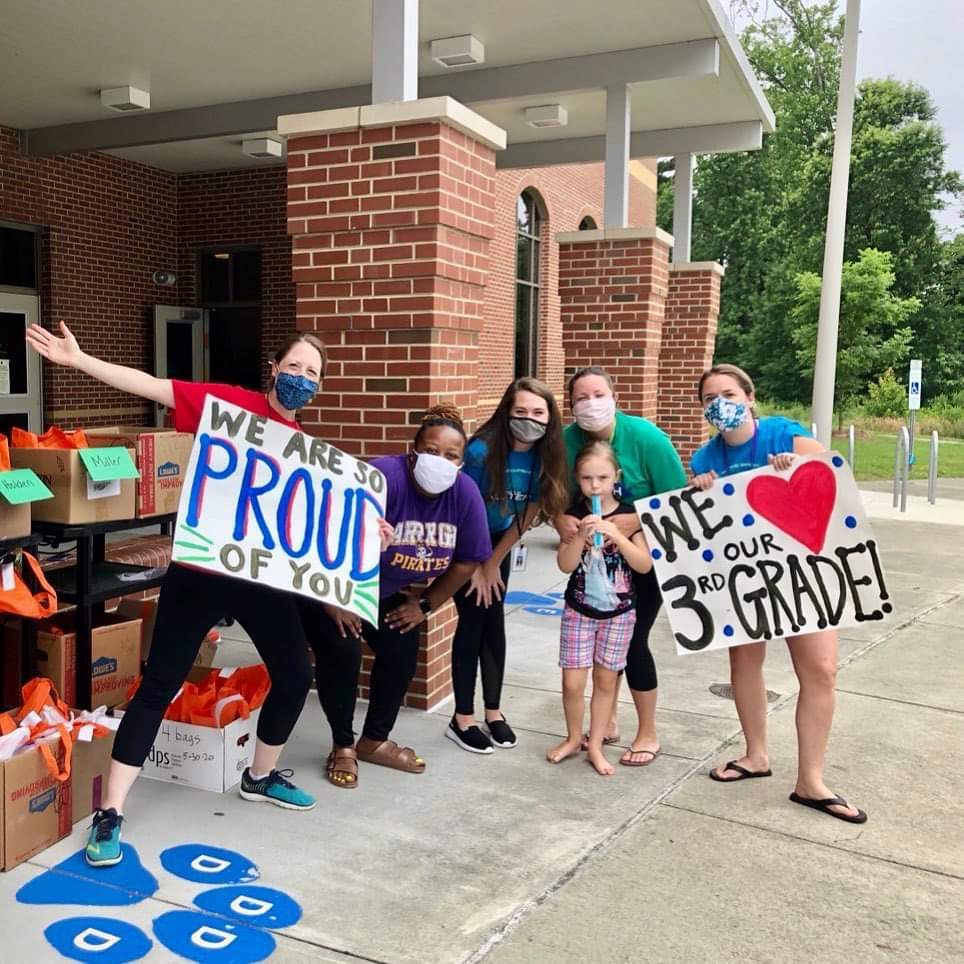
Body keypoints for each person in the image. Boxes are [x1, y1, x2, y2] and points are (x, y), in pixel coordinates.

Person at [26, 321, 326, 866]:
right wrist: (81, 361)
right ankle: (110, 812)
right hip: (200, 572)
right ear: (274, 369)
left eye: (313, 373)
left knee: (297, 672)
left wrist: (364, 534)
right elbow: (150, 385)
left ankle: (258, 777)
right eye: (295, 367)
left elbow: (319, 522)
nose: (302, 378)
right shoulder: (229, 406)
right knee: (159, 683)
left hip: (257, 580)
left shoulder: (306, 449)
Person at [691, 363, 866, 823]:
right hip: (746, 577)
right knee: (744, 662)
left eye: (727, 393)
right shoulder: (705, 460)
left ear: (749, 397)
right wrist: (700, 493)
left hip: (803, 573)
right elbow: (704, 527)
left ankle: (811, 780)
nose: (719, 404)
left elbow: (830, 476)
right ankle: (755, 755)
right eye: (710, 399)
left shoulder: (783, 435)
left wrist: (798, 468)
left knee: (821, 670)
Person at [300, 404, 491, 788]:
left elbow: (468, 560)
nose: (441, 462)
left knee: (402, 646)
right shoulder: (383, 477)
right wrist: (334, 598)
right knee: (344, 651)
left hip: (383, 590)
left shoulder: (465, 494)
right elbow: (323, 534)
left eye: (452, 456)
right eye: (432, 451)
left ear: (461, 463)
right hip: (330, 584)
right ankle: (343, 746)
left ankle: (373, 740)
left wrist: (424, 605)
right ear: (413, 451)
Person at [559, 367, 686, 767]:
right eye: (581, 397)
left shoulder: (646, 438)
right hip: (590, 566)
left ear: (614, 396)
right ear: (571, 404)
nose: (591, 403)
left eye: (598, 394)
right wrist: (559, 519)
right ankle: (605, 722)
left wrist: (633, 523)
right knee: (597, 657)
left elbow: (678, 501)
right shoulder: (564, 442)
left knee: (632, 644)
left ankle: (647, 731)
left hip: (641, 557)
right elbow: (554, 496)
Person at [446, 378, 569, 753]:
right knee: (473, 623)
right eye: (520, 412)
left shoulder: (544, 456)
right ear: (506, 412)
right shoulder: (483, 451)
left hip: (499, 545)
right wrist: (480, 564)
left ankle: (494, 712)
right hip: (466, 544)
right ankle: (461, 718)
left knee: (494, 622)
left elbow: (529, 511)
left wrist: (495, 562)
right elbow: (464, 509)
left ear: (549, 419)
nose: (528, 420)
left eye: (538, 413)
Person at [549, 442, 651, 776]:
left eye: (603, 478)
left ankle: (595, 743)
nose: (595, 486)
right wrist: (580, 536)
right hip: (579, 610)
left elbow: (644, 565)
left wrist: (617, 535)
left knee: (606, 682)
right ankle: (573, 737)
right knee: (573, 683)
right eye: (587, 478)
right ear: (577, 479)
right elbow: (565, 565)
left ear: (616, 477)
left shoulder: (627, 516)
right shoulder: (574, 514)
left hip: (619, 614)